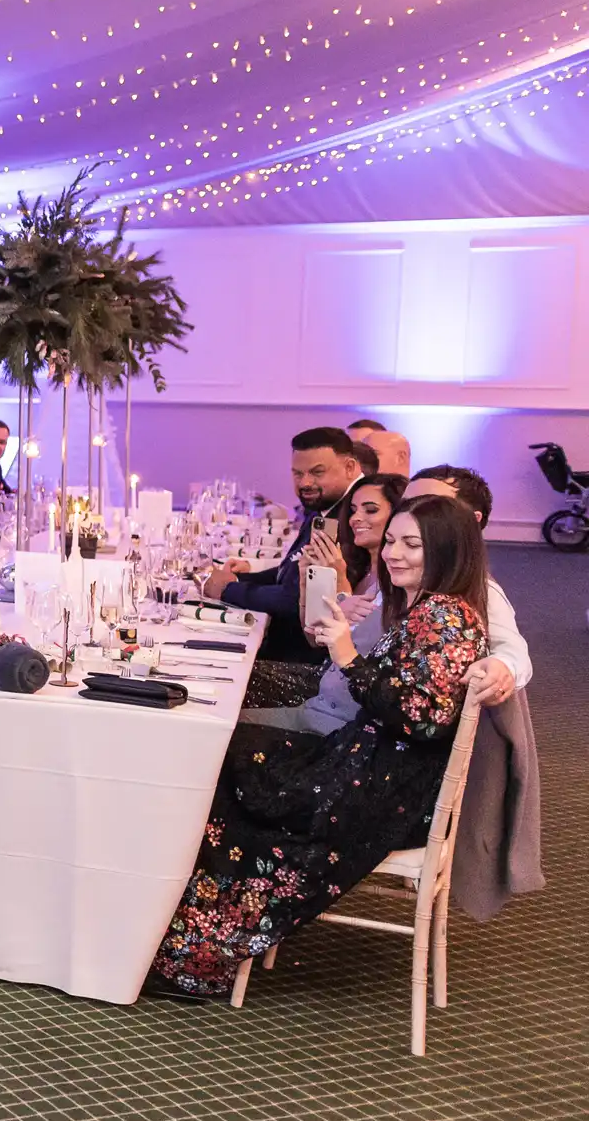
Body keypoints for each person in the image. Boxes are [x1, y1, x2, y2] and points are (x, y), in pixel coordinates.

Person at [147, 495, 489, 1000]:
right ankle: (187, 935)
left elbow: (420, 720)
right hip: (363, 763)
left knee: (223, 765)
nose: (393, 553)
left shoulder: (447, 619)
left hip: (379, 788)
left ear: (448, 550)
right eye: (391, 541)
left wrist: (347, 653)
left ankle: (200, 952)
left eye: (411, 544)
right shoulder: (431, 609)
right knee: (229, 749)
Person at [241, 472, 406, 731]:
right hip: (325, 685)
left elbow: (349, 648)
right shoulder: (358, 567)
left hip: (339, 706)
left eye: (370, 510)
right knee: (236, 679)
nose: (356, 519)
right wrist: (310, 581)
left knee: (234, 701)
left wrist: (339, 584)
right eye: (352, 510)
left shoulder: (396, 585)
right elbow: (314, 636)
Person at [202, 426, 363, 664]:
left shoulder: (352, 517)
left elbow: (297, 598)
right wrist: (242, 578)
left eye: (317, 472)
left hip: (301, 662)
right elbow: (294, 569)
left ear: (349, 467)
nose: (305, 482)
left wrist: (227, 590)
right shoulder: (327, 505)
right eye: (298, 474)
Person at [403, 465, 530, 708]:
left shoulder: (480, 589)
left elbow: (513, 651)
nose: (409, 513)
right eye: (406, 504)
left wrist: (503, 667)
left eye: (430, 505)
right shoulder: (399, 568)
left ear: (472, 520)